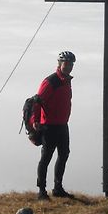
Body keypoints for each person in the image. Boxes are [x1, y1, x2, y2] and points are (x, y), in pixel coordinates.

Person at [31, 51, 76, 200]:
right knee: (46, 158)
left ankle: (58, 188)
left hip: (62, 125)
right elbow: (37, 101)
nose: (69, 66)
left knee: (64, 154)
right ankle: (41, 191)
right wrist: (35, 121)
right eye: (66, 63)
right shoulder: (51, 81)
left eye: (71, 64)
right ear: (59, 64)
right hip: (48, 126)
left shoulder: (66, 81)